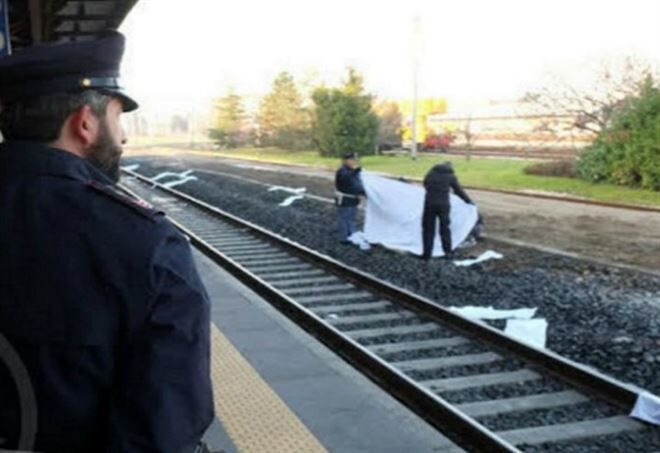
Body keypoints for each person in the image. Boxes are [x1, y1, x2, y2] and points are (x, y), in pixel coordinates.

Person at [0, 32, 214, 452]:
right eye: (118, 118)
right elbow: (161, 431)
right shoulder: (145, 242)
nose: (123, 137)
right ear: (84, 122)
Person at [421, 161, 473, 260]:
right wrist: (468, 201)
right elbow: (458, 190)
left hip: (429, 203)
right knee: (445, 229)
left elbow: (425, 183)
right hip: (444, 205)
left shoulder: (431, 173)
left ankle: (426, 255)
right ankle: (447, 252)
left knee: (428, 230)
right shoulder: (450, 176)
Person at [334, 152, 366, 243]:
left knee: (351, 219)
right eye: (351, 160)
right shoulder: (342, 171)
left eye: (354, 160)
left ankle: (352, 235)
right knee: (344, 219)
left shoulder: (352, 171)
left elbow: (357, 185)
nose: (354, 162)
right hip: (345, 200)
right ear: (345, 161)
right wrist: (355, 172)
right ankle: (344, 238)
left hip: (353, 200)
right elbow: (346, 178)